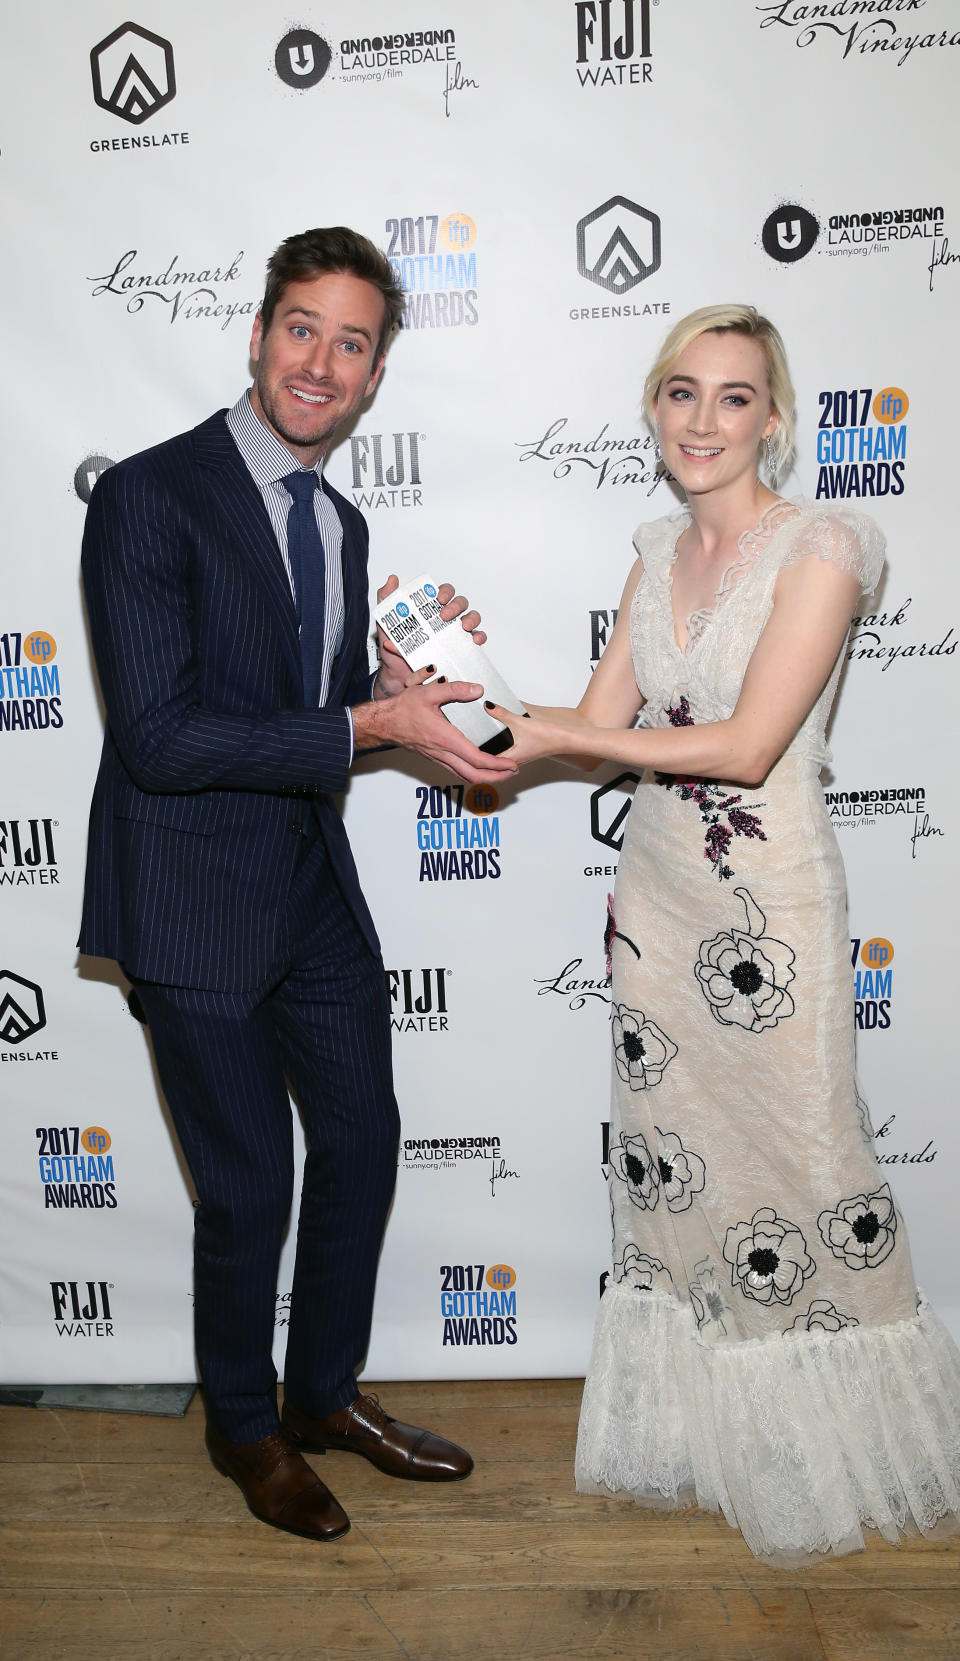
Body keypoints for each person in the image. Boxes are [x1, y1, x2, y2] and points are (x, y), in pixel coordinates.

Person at [486, 305, 960, 1565]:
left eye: (734, 397)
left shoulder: (828, 545)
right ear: (653, 407)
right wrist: (458, 698)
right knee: (673, 1170)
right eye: (681, 392)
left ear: (775, 416)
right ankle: (714, 1442)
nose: (704, 420)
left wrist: (558, 738)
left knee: (808, 1162)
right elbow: (591, 715)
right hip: (656, 904)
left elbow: (747, 747)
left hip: (773, 911)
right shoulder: (651, 550)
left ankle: (846, 1454)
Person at [79, 226, 516, 1544]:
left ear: (376, 373)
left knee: (365, 1147)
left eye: (354, 342)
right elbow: (159, 735)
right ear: (259, 332)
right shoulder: (151, 497)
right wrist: (365, 732)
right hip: (190, 900)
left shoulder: (340, 515)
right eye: (303, 328)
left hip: (308, 882)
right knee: (250, 1189)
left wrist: (389, 698)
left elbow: (302, 706)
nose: (322, 362)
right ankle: (243, 1425)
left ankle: (324, 1394)